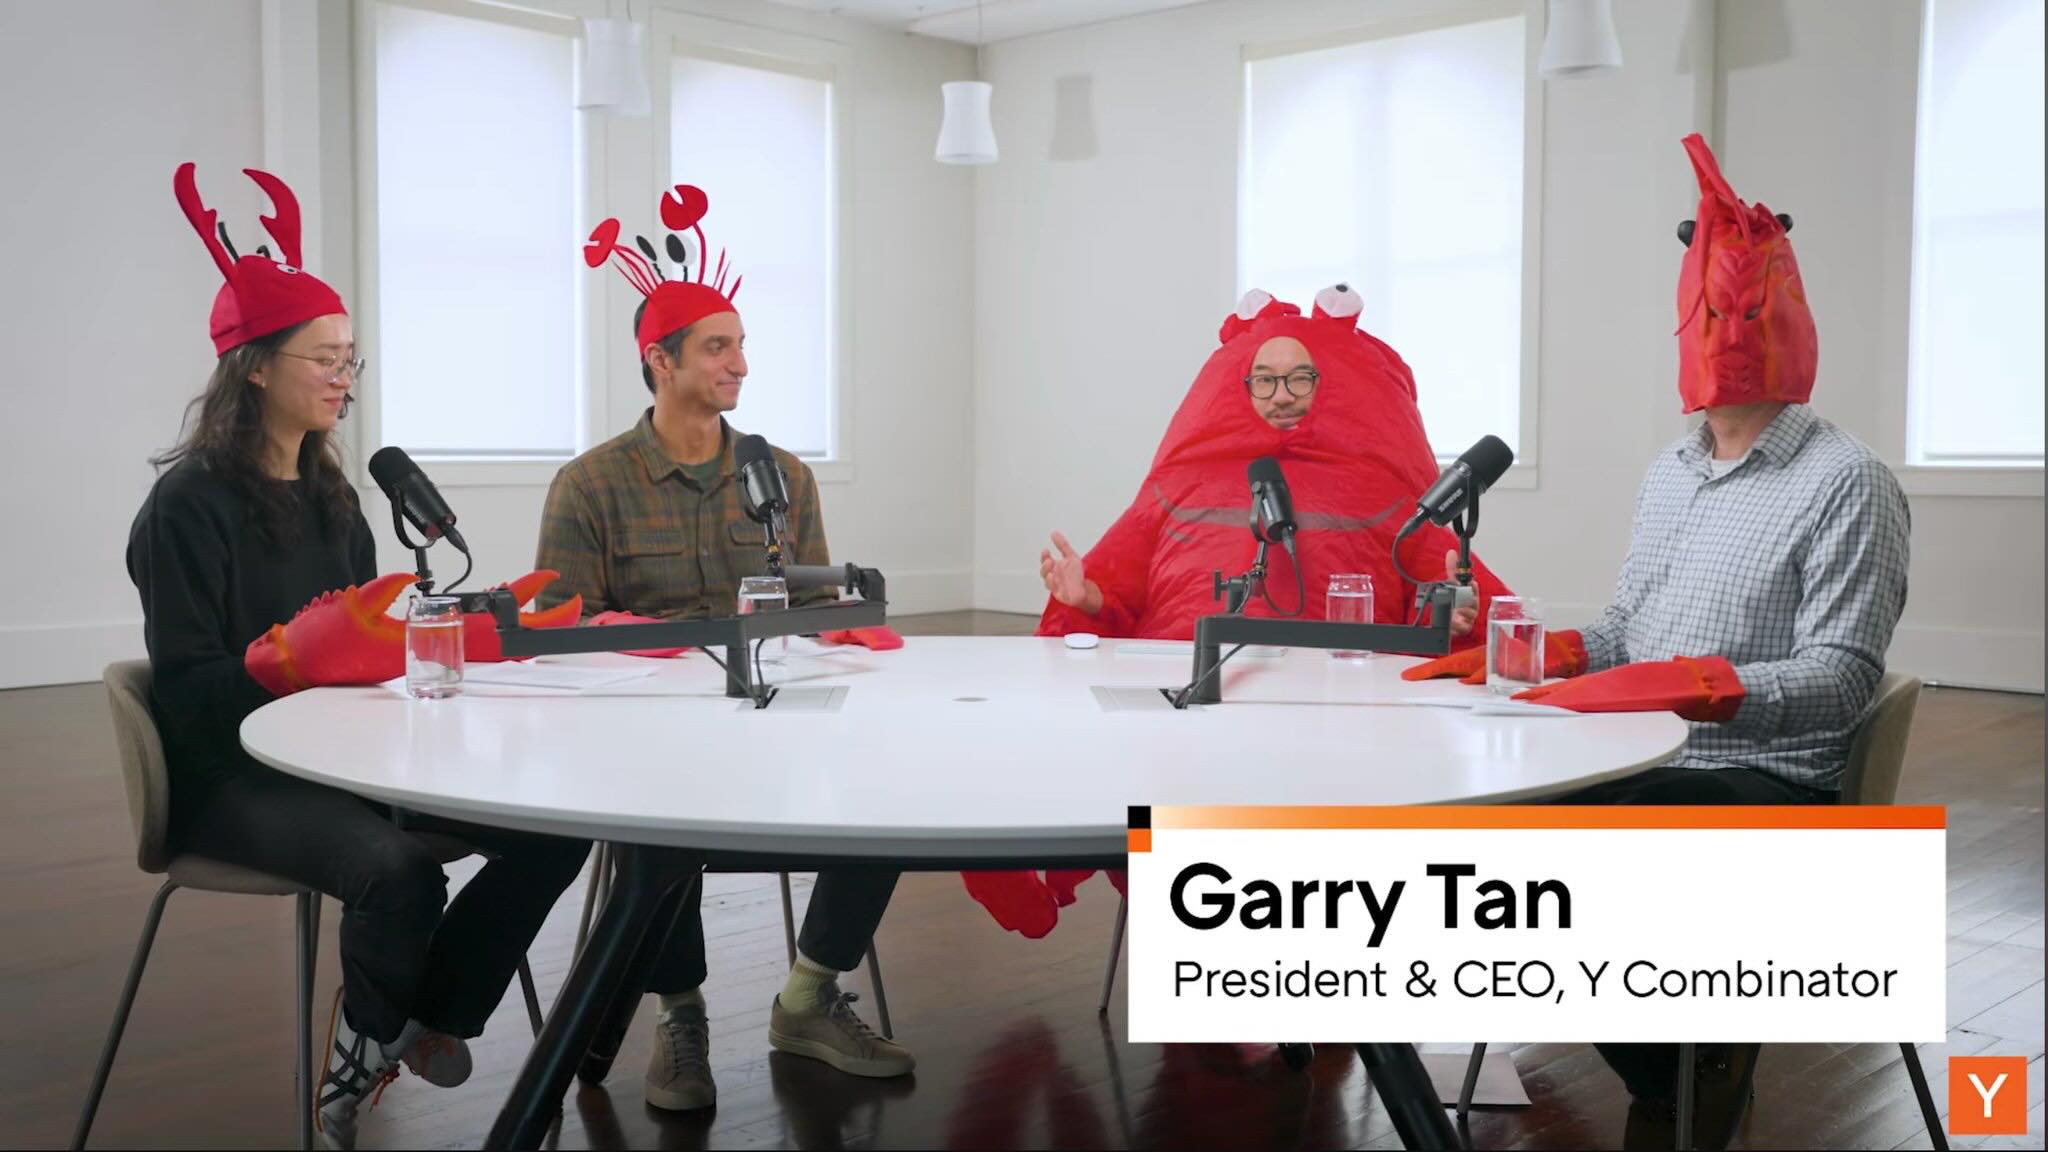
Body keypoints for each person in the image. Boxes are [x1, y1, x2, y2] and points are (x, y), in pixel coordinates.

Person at [1406, 134, 1911, 1151]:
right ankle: (1684, 1055)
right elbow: (1623, 629)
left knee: (1568, 869)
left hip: (1767, 775)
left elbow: (1841, 680)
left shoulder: (1845, 482)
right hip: (1636, 756)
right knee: (1471, 852)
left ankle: (1689, 1067)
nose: (1727, 331)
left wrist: (1696, 688)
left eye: (1748, 312)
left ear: (1791, 318)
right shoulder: (1666, 470)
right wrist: (1531, 653)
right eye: (1710, 312)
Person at [130, 164, 590, 1150]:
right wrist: (280, 662)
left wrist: (478, 628)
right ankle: (357, 1059)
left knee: (556, 831)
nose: (344, 376)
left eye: (352, 359)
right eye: (324, 358)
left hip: (346, 761)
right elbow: (184, 695)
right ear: (254, 366)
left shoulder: (339, 500)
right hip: (229, 776)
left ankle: (427, 1019)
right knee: (397, 875)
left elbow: (370, 652)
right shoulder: (186, 510)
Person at [533, 186, 913, 1114]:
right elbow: (556, 632)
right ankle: (682, 1013)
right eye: (718, 347)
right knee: (662, 810)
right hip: (658, 734)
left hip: (783, 720)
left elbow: (820, 610)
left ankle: (808, 995)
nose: (741, 363)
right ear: (657, 360)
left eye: (741, 345)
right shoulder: (590, 485)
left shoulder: (779, 474)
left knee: (896, 793)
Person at [969, 284, 1506, 938]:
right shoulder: (1180, 485)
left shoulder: (1393, 498)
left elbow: (1453, 594)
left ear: (1327, 383)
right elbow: (1119, 587)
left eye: (1301, 378)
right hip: (1192, 719)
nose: (1282, 394)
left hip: (1339, 724)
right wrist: (1085, 599)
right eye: (1265, 380)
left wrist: (1453, 607)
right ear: (1240, 388)